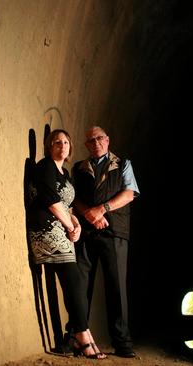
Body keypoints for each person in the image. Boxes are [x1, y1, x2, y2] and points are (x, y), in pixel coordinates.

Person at [26, 129, 107, 359]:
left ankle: (84, 333)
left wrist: (76, 225)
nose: (61, 145)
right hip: (46, 232)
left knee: (77, 283)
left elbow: (69, 207)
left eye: (65, 142)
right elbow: (51, 202)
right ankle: (82, 336)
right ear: (49, 147)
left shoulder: (65, 173)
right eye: (56, 142)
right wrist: (70, 227)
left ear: (70, 147)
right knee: (74, 281)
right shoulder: (44, 167)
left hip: (64, 232)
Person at [71, 126, 140, 358]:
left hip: (114, 232)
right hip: (87, 233)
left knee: (116, 287)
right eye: (91, 140)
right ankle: (75, 337)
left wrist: (102, 210)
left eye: (100, 138)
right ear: (86, 145)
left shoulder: (124, 165)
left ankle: (122, 343)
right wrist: (89, 214)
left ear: (108, 140)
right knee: (81, 286)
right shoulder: (78, 168)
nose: (96, 142)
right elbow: (73, 198)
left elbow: (129, 194)